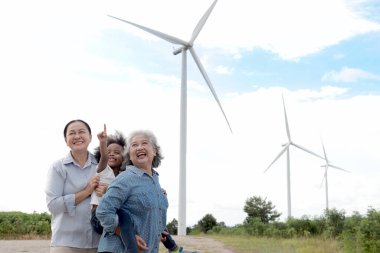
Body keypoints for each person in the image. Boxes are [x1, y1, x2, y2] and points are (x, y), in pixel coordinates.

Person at [96, 130, 168, 253]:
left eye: (144, 143)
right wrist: (127, 235)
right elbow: (103, 211)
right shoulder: (125, 179)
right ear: (129, 154)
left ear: (155, 151)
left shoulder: (156, 181)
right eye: (134, 145)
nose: (139, 147)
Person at [45, 119, 106, 253]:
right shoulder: (58, 167)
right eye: (72, 133)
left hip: (98, 241)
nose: (77, 136)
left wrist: (105, 192)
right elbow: (53, 205)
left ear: (90, 137)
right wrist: (87, 191)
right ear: (66, 140)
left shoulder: (101, 166)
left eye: (81, 132)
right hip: (65, 243)